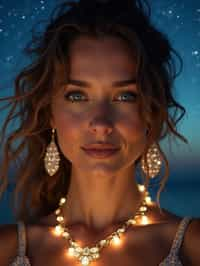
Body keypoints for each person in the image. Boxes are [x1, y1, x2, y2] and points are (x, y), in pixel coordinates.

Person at [0, 0, 199, 265]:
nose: (101, 123)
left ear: (150, 112)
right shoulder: (8, 248)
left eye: (125, 96)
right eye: (77, 95)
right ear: (50, 113)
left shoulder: (191, 244)